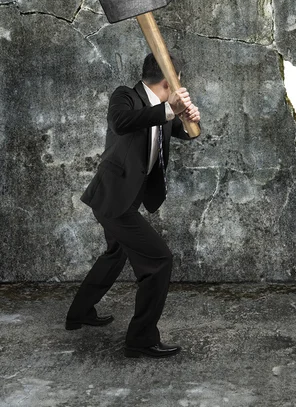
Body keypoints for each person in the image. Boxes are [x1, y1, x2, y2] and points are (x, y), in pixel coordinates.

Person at [65, 53, 200, 358]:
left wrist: (189, 118)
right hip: (113, 200)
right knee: (159, 261)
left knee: (115, 254)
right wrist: (169, 110)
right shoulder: (125, 96)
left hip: (126, 199)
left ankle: (78, 313)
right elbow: (122, 122)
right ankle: (140, 339)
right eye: (178, 81)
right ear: (170, 80)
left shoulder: (163, 111)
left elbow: (179, 130)